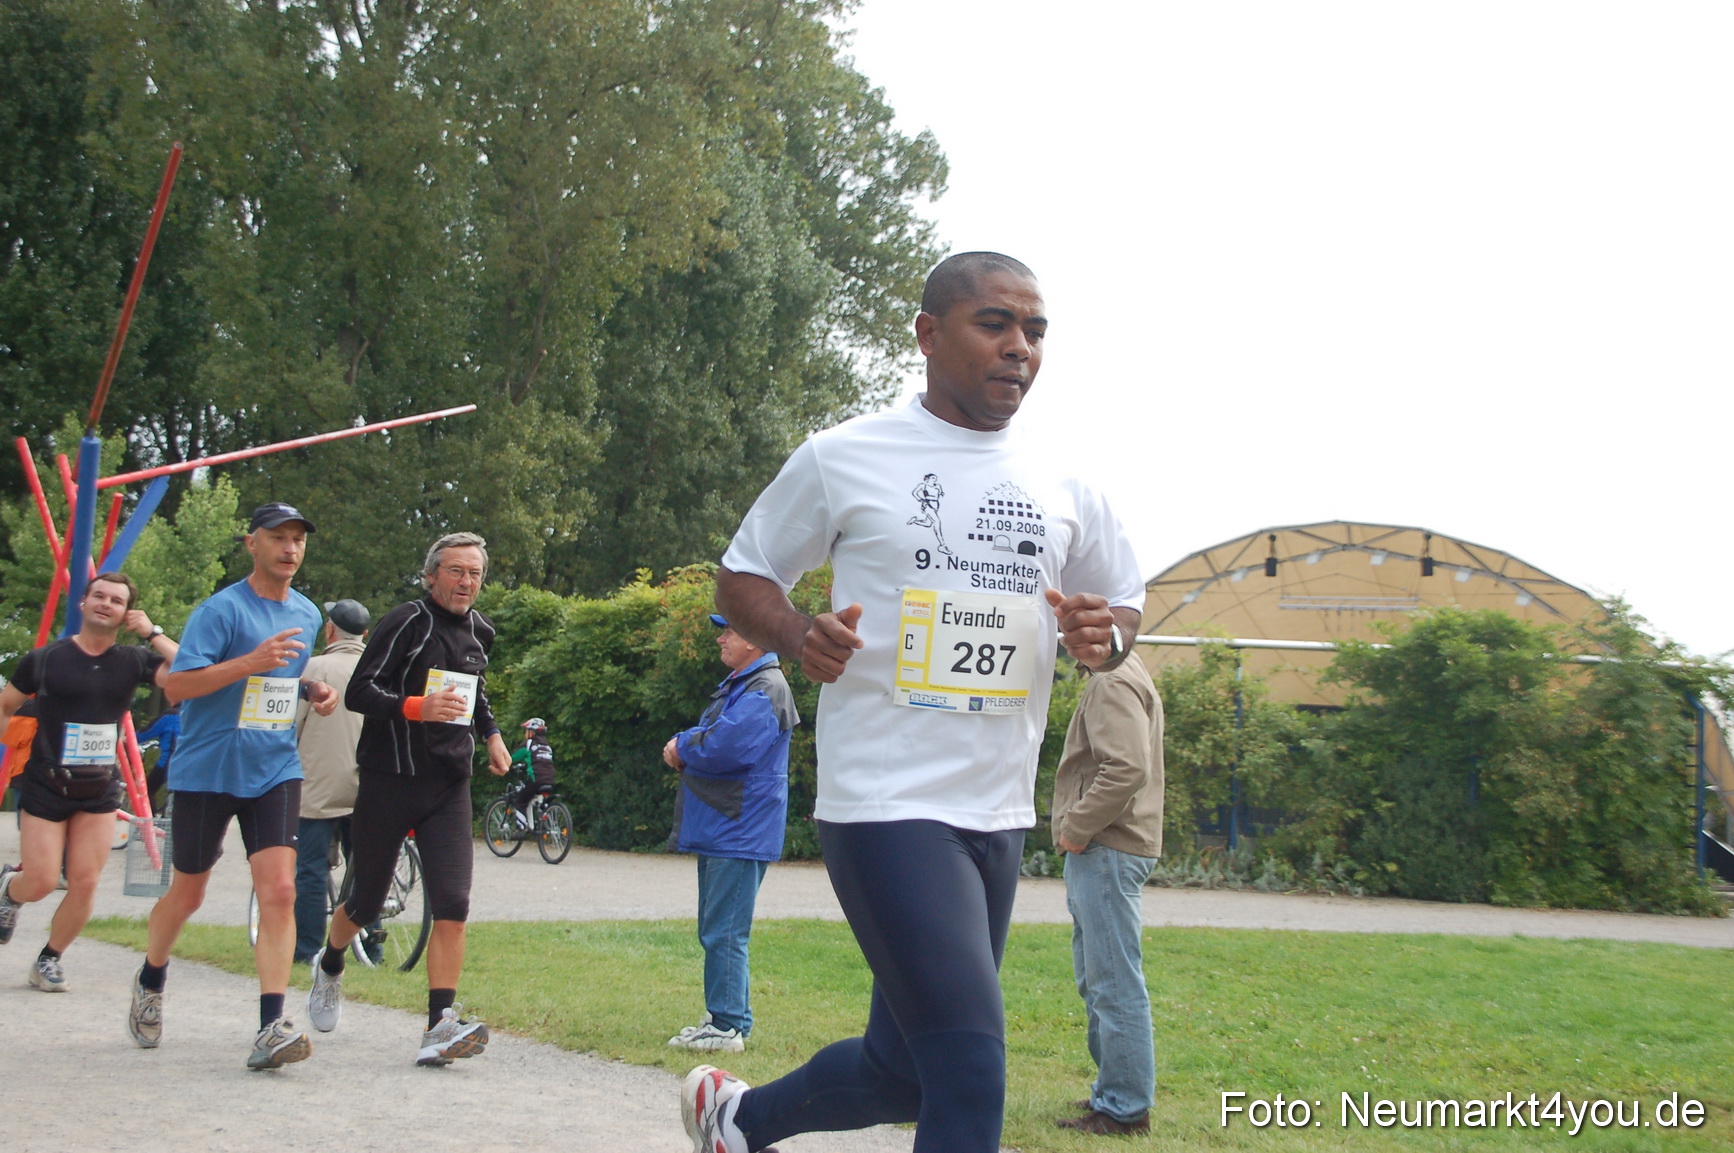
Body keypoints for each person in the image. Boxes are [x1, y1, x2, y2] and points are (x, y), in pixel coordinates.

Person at [682, 252, 1146, 1153]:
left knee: (902, 1068)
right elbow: (742, 576)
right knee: (971, 1073)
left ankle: (737, 1120)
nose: (1020, 348)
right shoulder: (845, 455)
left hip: (997, 807)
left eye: (1036, 330)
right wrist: (796, 633)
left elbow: (1121, 600)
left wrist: (1107, 635)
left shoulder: (1065, 480)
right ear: (928, 334)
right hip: (886, 800)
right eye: (995, 324)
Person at [128, 503, 338, 1070]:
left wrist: (309, 692)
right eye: (278, 538)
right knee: (188, 892)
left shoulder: (306, 612)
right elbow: (182, 686)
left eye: (298, 539)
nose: (290, 548)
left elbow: (280, 681)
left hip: (274, 767)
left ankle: (271, 1026)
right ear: (252, 543)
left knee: (281, 891)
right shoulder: (219, 611)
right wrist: (250, 661)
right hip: (208, 769)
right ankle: (151, 976)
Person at [307, 531, 510, 1066]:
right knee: (368, 901)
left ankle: (439, 1026)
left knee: (454, 902)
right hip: (390, 779)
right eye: (456, 571)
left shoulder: (479, 630)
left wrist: (490, 734)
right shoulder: (407, 621)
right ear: (432, 574)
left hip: (448, 783)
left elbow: (475, 689)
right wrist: (416, 708)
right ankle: (329, 965)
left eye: (475, 574)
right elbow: (360, 691)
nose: (466, 582)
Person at [0, 572, 178, 990]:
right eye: (98, 595)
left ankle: (50, 958)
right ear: (82, 603)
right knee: (42, 880)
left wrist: (152, 632)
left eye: (116, 600)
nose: (105, 603)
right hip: (45, 783)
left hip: (98, 788)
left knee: (85, 881)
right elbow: (6, 705)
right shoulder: (46, 659)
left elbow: (186, 669)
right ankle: (10, 890)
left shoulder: (133, 660)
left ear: (125, 613)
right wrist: (17, 749)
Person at [663, 613, 798, 1054]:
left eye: (730, 632)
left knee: (724, 931)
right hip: (729, 827)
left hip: (738, 829)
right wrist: (692, 742)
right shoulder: (747, 685)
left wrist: (682, 746)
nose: (721, 639)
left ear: (755, 642)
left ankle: (724, 1028)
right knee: (719, 928)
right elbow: (720, 739)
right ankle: (729, 1020)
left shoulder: (765, 688)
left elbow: (728, 747)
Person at [1050, 647, 1164, 1135]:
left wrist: (1077, 827)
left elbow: (1126, 768)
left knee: (1113, 983)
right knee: (1101, 979)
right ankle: (1112, 1093)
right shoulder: (1119, 671)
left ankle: (1124, 1108)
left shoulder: (1110, 682)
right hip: (1110, 847)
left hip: (1107, 847)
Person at [292, 598, 370, 963]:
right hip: (366, 786)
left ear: (329, 630)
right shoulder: (379, 668)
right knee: (368, 870)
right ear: (365, 634)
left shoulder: (315, 668)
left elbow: (292, 725)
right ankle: (371, 945)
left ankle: (307, 948)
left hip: (317, 787)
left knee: (310, 869)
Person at [509, 717, 555, 827]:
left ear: (532, 732)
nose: (525, 734)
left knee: (520, 800)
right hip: (551, 779)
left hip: (536, 779)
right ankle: (542, 821)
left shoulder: (529, 744)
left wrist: (505, 763)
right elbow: (540, 762)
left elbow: (513, 758)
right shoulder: (547, 746)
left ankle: (521, 827)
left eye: (526, 731)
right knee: (535, 799)